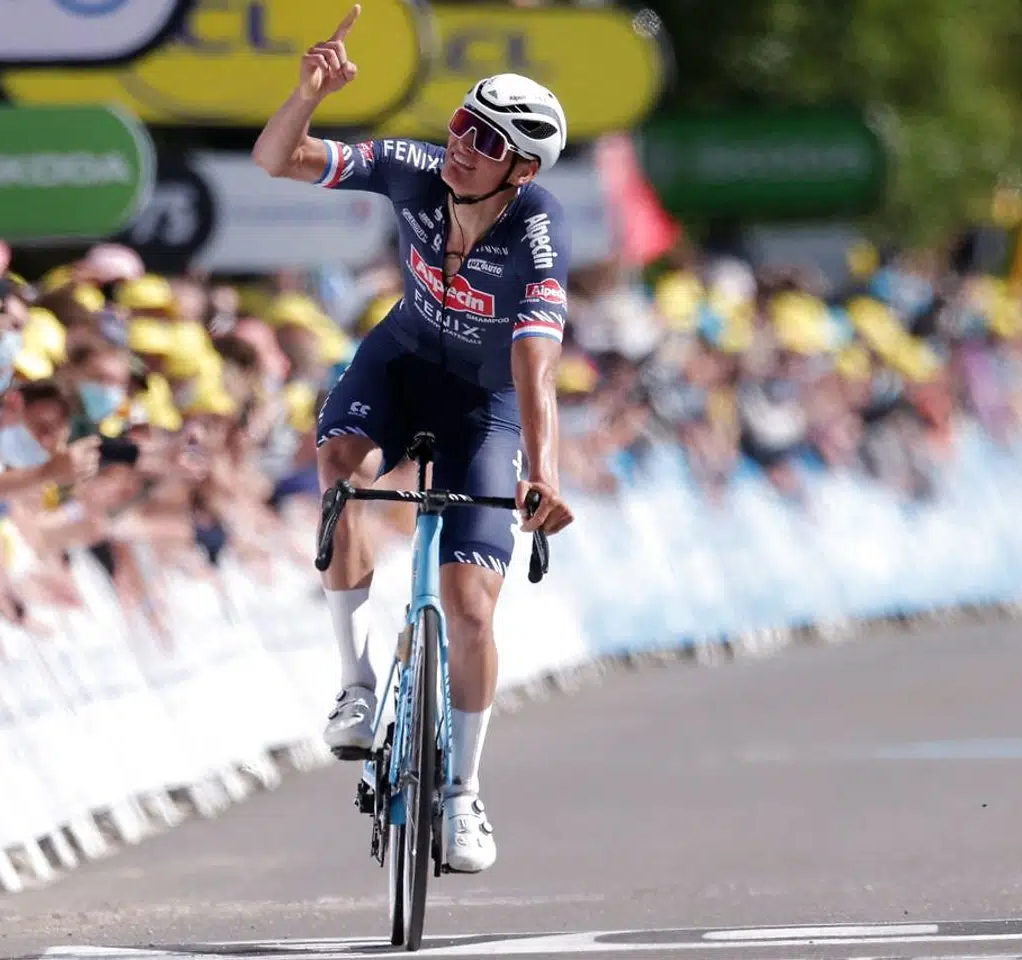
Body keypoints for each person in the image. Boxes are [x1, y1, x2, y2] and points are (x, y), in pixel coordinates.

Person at [253, 4, 575, 874]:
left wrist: (544, 474)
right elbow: (277, 158)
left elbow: (535, 365)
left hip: (485, 406)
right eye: (464, 121)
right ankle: (356, 686)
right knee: (341, 471)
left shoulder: (537, 233)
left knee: (471, 607)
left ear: (521, 168)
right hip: (396, 365)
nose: (460, 141)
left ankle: (464, 796)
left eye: (485, 137)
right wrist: (307, 95)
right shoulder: (415, 169)